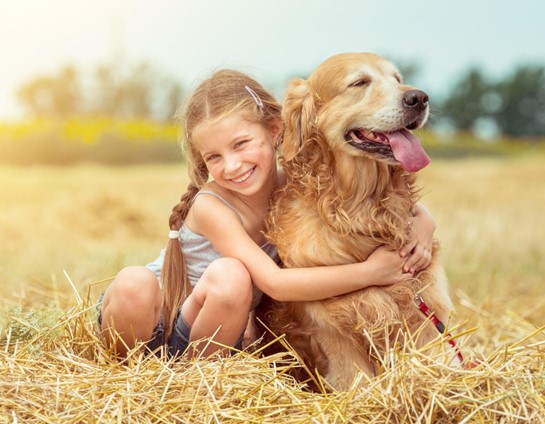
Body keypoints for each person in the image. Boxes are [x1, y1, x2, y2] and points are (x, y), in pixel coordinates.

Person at [98, 69, 437, 359]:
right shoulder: (211, 206)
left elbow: (401, 207)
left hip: (205, 337)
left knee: (231, 280)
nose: (232, 166)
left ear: (275, 130)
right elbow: (275, 284)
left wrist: (424, 228)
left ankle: (193, 388)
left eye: (241, 144)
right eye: (213, 157)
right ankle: (130, 382)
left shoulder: (299, 184)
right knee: (141, 281)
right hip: (149, 319)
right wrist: (370, 272)